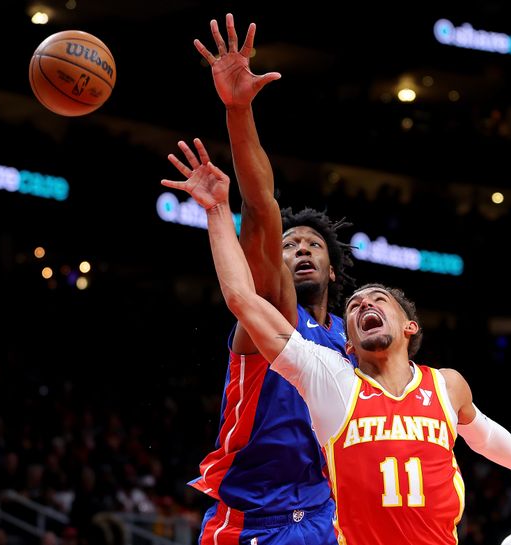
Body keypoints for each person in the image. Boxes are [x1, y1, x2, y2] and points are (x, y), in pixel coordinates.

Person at [162, 143, 511, 545]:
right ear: (349, 346)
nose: (364, 304)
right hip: (261, 514)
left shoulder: (445, 385)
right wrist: (217, 211)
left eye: (379, 300)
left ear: (410, 326)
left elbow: (483, 433)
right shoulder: (335, 379)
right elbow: (242, 296)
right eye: (356, 305)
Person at [164, 13, 354, 541]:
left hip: (324, 516)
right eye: (290, 247)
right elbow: (262, 205)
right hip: (253, 520)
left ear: (332, 267)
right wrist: (238, 110)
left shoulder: (352, 340)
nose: (299, 252)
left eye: (313, 245)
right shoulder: (273, 312)